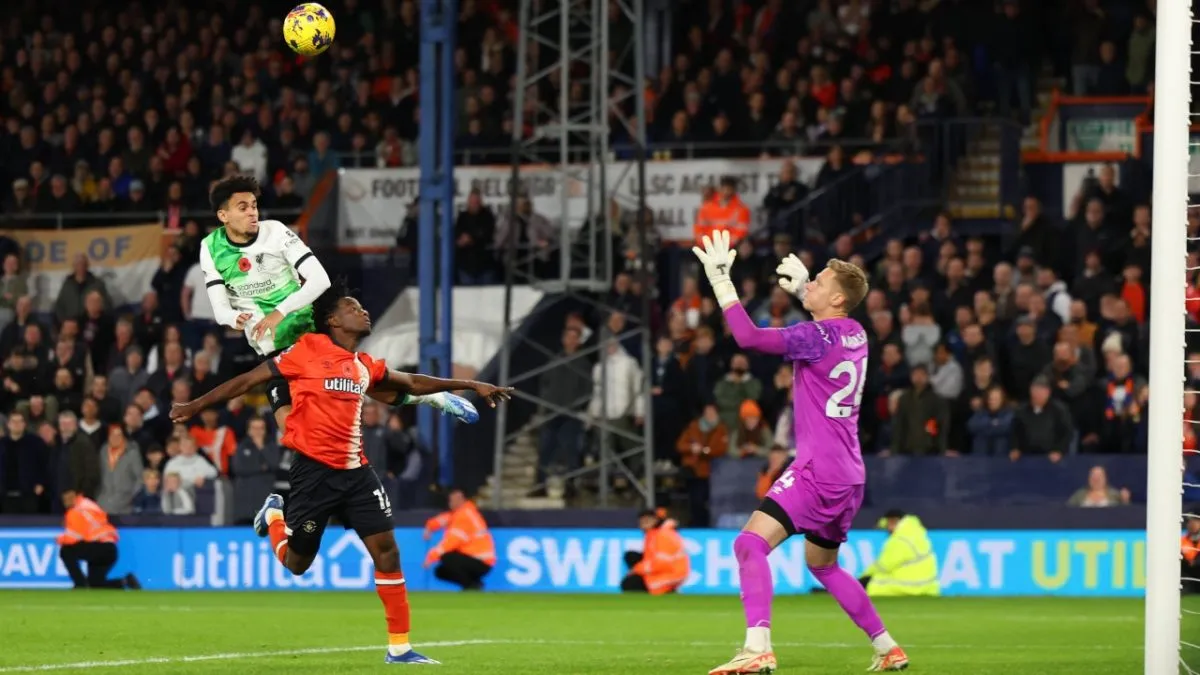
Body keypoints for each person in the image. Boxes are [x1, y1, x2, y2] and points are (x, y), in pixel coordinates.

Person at [170, 278, 513, 664]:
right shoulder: (306, 349)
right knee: (297, 564)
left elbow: (412, 382)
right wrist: (196, 404)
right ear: (332, 320)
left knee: (387, 553)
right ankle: (276, 516)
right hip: (313, 474)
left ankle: (399, 648)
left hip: (356, 473)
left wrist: (471, 384)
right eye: (353, 307)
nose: (363, 311)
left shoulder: (362, 365)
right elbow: (250, 380)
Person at [694, 229, 908, 673]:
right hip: (850, 473)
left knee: (749, 545)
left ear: (836, 300)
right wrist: (807, 292)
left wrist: (722, 284)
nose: (809, 283)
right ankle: (888, 647)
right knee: (823, 564)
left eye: (819, 282)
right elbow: (825, 331)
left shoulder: (817, 337)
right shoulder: (858, 334)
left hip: (817, 469)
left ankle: (757, 648)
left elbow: (750, 339)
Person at [200, 175, 478, 437]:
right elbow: (221, 309)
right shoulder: (210, 249)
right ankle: (292, 489)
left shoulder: (275, 232)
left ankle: (434, 397)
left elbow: (319, 279)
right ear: (223, 216)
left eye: (254, 205)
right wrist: (234, 319)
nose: (253, 212)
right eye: (243, 207)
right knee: (291, 428)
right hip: (272, 344)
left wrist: (278, 312)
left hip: (308, 326)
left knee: (361, 381)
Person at [57, 489, 141, 590]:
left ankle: (80, 584)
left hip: (99, 546)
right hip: (109, 549)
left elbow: (74, 537)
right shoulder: (89, 505)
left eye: (67, 498)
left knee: (66, 551)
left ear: (75, 495)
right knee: (96, 584)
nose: (66, 501)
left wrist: (60, 539)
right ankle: (125, 581)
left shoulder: (75, 511)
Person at [422, 487, 496, 590]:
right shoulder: (465, 512)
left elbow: (452, 541)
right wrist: (430, 527)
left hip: (480, 561)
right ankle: (474, 584)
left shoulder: (463, 516)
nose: (450, 503)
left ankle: (471, 586)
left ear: (460, 498)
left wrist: (431, 557)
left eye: (451, 500)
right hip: (481, 560)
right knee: (440, 571)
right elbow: (445, 519)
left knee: (447, 557)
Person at [858, 509, 939, 598]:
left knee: (867, 584)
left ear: (893, 521)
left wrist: (862, 578)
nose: (887, 529)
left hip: (909, 586)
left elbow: (883, 566)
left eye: (888, 524)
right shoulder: (917, 532)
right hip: (929, 587)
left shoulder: (899, 540)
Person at [621, 508, 690, 594]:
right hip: (665, 569)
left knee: (630, 584)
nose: (644, 522)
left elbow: (662, 563)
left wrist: (637, 569)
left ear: (656, 520)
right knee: (631, 556)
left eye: (648, 519)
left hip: (671, 573)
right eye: (642, 520)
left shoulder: (662, 535)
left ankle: (668, 590)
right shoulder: (653, 534)